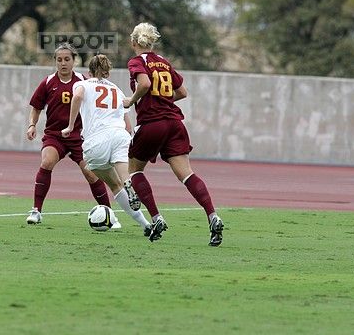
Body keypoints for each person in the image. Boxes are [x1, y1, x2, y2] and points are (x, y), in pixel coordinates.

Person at [123, 23, 225, 245]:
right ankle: (212, 215)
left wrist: (132, 101)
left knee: (134, 171)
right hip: (175, 123)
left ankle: (156, 218)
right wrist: (161, 100)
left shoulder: (136, 62)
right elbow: (182, 92)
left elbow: (144, 82)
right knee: (186, 173)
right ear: (152, 43)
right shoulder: (164, 62)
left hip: (152, 123)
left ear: (133, 43)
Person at [61, 54, 152, 235]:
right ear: (107, 73)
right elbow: (126, 117)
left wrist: (70, 125)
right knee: (124, 178)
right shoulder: (116, 89)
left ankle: (143, 221)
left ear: (89, 72)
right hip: (119, 136)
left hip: (96, 140)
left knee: (114, 185)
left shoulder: (83, 84)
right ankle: (145, 223)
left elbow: (78, 96)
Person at [25, 43, 114, 225]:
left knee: (91, 174)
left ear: (74, 61)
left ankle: (109, 214)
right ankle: (36, 211)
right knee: (47, 162)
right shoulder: (48, 82)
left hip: (79, 138)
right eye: (59, 60)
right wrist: (32, 125)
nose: (63, 63)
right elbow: (36, 107)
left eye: (67, 59)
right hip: (55, 136)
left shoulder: (83, 81)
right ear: (55, 62)